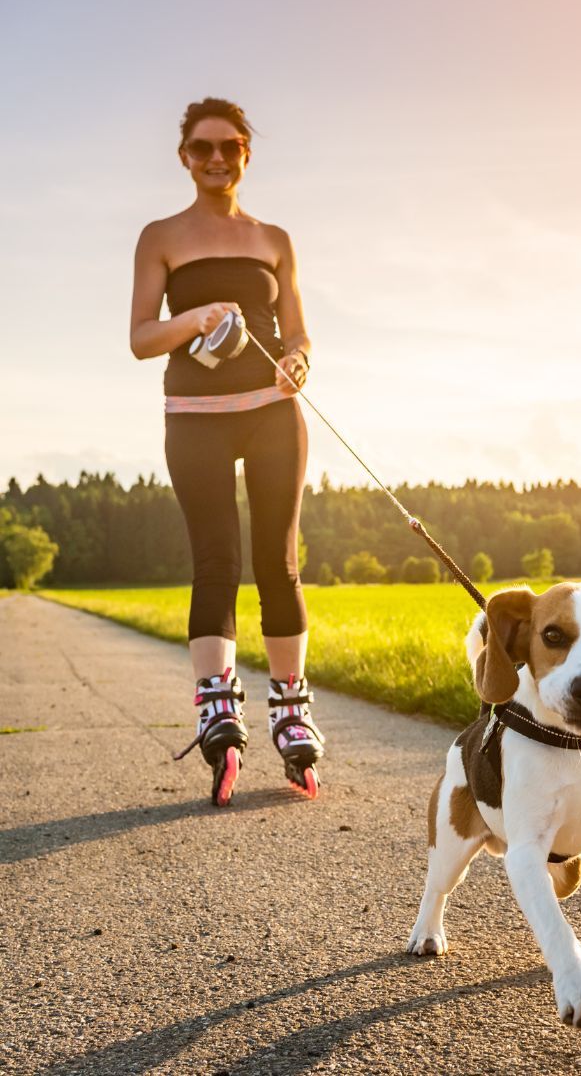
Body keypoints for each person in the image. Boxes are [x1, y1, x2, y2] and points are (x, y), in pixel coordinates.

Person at [130, 97, 324, 806]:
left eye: (231, 147)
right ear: (185, 156)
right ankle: (219, 715)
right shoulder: (161, 236)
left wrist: (298, 362)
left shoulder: (274, 237)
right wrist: (196, 318)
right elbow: (140, 337)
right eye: (204, 147)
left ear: (247, 154)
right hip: (195, 417)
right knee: (216, 562)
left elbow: (299, 332)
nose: (218, 158)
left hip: (272, 413)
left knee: (279, 562)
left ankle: (292, 714)